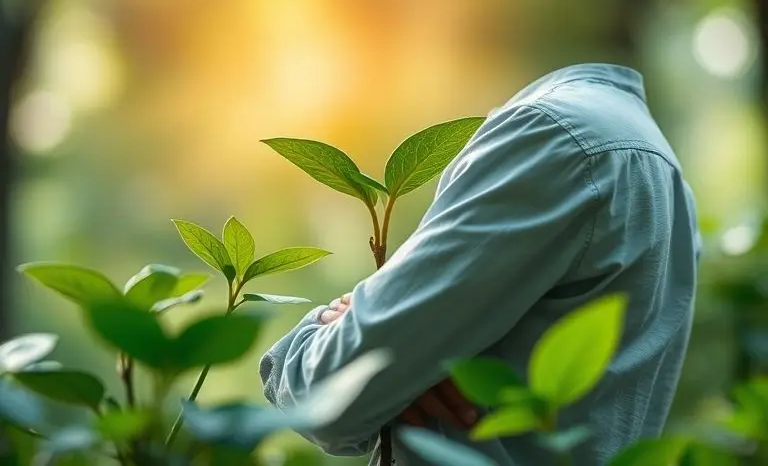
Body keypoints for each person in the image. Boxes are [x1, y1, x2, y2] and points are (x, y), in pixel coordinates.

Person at [259, 64, 700, 465]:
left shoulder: (549, 135)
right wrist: (410, 362)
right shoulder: (658, 165)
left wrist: (321, 334)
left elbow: (328, 398)